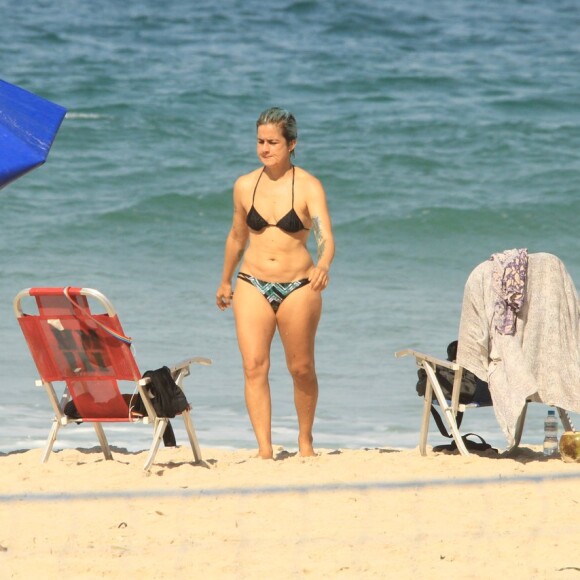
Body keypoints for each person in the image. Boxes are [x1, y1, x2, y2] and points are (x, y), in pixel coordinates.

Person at [216, 107, 335, 459]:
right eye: (260, 142)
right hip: (252, 282)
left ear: (291, 143)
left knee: (301, 368)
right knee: (254, 365)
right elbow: (237, 236)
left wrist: (324, 264)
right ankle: (264, 450)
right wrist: (224, 280)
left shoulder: (308, 186)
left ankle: (305, 442)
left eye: (272, 142)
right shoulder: (244, 185)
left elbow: (325, 236)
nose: (264, 149)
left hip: (299, 286)